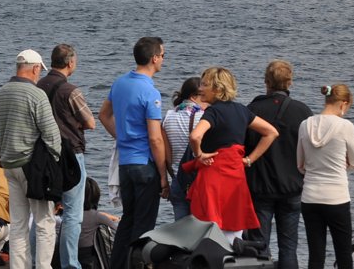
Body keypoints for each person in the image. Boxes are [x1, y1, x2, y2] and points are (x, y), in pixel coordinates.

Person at [185, 67, 278, 244]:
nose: (200, 88)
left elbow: (195, 136)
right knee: (234, 229)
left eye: (205, 84)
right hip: (235, 177)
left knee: (208, 230)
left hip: (212, 177)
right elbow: (271, 132)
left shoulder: (213, 112)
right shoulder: (242, 110)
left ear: (218, 89)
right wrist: (250, 159)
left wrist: (199, 155)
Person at [98, 36, 168, 269]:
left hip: (125, 163)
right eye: (163, 55)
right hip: (144, 164)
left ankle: (116, 265)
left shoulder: (120, 83)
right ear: (154, 58)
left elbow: (103, 115)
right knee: (144, 225)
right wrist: (163, 175)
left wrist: (121, 136)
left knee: (128, 220)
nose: (163, 60)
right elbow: (155, 138)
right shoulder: (151, 92)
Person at [0, 49, 61, 269]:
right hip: (33, 168)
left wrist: (5, 154)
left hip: (10, 165)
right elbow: (51, 134)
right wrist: (55, 160)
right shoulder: (37, 95)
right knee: (44, 222)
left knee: (19, 223)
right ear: (35, 68)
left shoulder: (0, 93)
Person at [245, 60, 313, 269]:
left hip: (260, 187)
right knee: (289, 247)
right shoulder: (303, 112)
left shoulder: (252, 109)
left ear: (266, 82)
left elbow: (244, 145)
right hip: (292, 187)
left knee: (258, 246)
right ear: (289, 83)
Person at [37, 43, 95, 269]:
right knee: (72, 213)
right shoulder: (71, 91)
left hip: (43, 154)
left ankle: (37, 260)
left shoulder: (38, 86)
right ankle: (70, 264)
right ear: (70, 62)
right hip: (71, 155)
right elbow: (90, 122)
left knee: (42, 212)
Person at [298, 83, 354, 269]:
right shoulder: (346, 126)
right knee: (343, 255)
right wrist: (342, 166)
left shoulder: (305, 125)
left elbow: (300, 164)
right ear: (343, 103)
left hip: (310, 197)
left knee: (315, 256)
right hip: (337, 198)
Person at [161, 76, 205, 220]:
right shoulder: (204, 117)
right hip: (199, 180)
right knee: (202, 231)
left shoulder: (168, 116)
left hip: (178, 180)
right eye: (203, 95)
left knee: (181, 232)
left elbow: (166, 155)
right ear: (193, 97)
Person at [79, 178, 118, 269]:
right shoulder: (97, 216)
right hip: (88, 255)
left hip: (70, 249)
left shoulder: (71, 215)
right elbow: (117, 230)